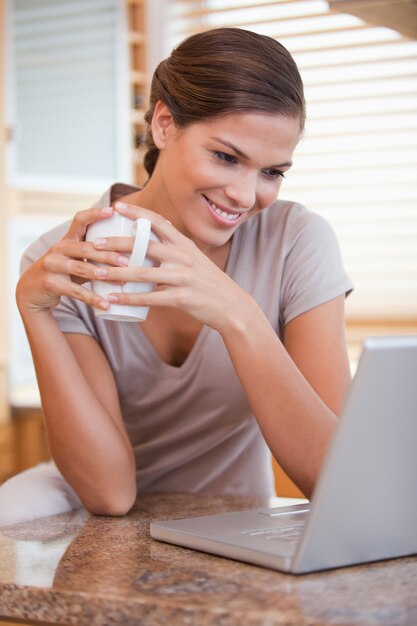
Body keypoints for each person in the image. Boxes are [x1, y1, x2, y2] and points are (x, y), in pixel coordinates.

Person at [0, 27, 353, 527]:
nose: (245, 195)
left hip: (234, 518)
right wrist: (34, 314)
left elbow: (338, 479)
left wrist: (234, 312)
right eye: (226, 157)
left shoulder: (296, 241)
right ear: (164, 124)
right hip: (99, 507)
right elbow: (111, 494)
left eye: (272, 172)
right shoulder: (68, 257)